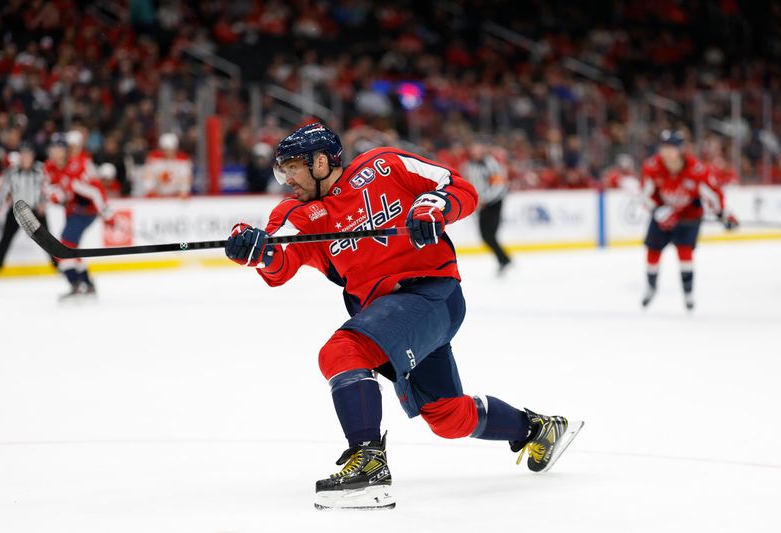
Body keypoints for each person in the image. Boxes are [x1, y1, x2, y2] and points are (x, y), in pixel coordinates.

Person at [224, 123, 583, 510]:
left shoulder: (384, 165)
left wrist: (435, 206)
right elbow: (279, 263)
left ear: (322, 162)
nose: (287, 178)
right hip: (392, 317)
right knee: (446, 416)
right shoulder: (301, 214)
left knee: (342, 352)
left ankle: (369, 465)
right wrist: (256, 250)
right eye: (283, 169)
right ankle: (539, 428)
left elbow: (459, 188)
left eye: (293, 167)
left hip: (432, 293)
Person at [640, 130, 739, 310]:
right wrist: (658, 210)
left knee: (685, 253)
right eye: (664, 148)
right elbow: (645, 194)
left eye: (671, 148)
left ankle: (688, 293)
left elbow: (713, 195)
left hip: (688, 216)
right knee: (652, 252)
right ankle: (651, 287)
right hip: (663, 214)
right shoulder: (652, 166)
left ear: (680, 150)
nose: (666, 153)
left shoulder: (697, 170)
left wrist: (724, 214)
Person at [45, 138, 113, 300]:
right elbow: (51, 189)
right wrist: (56, 197)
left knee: (64, 247)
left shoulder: (76, 167)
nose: (55, 151)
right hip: (72, 213)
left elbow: (95, 190)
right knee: (70, 248)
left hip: (85, 213)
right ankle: (86, 284)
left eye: (59, 148)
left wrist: (106, 213)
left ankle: (75, 284)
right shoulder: (49, 167)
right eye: (53, 148)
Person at [0, 143, 55, 279]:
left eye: (28, 155)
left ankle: (58, 267)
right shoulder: (12, 171)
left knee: (47, 240)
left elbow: (48, 188)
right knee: (5, 240)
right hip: (17, 211)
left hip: (36, 211)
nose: (25, 158)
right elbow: (3, 190)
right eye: (23, 155)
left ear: (32, 156)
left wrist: (44, 204)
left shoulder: (40, 170)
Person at [461, 140, 512, 274]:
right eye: (474, 149)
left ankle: (504, 260)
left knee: (489, 235)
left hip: (493, 203)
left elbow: (499, 186)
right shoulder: (469, 165)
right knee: (485, 236)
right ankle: (504, 259)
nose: (476, 152)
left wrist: (484, 199)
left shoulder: (491, 164)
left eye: (479, 149)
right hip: (480, 204)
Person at [140, 133, 193, 197]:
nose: (168, 152)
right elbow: (148, 175)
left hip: (176, 195)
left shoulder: (182, 160)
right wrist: (150, 190)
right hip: (158, 195)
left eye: (171, 150)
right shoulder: (154, 159)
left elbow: (186, 177)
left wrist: (184, 191)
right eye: (165, 150)